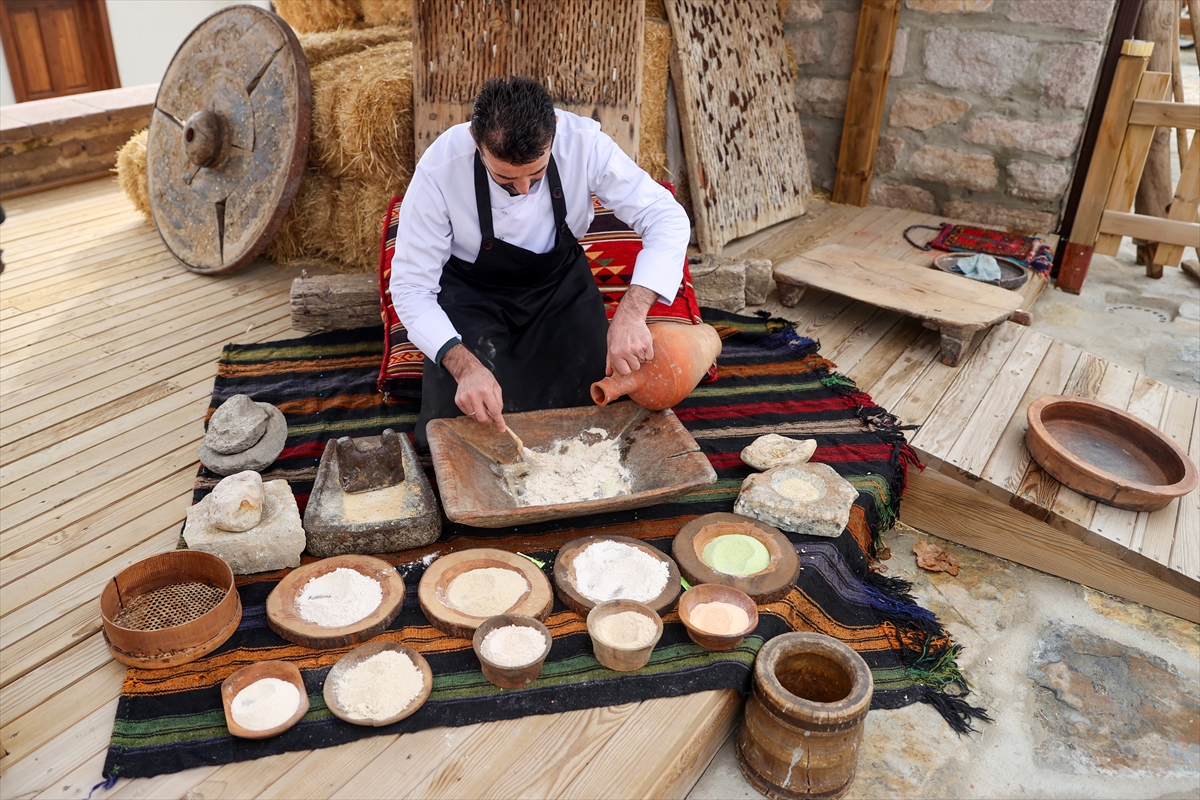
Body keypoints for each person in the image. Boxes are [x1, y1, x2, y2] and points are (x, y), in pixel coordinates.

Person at [389, 76, 690, 447]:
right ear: (475, 141)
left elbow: (666, 217)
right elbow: (411, 288)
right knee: (462, 428)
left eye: (537, 173)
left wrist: (631, 313)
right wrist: (464, 366)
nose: (523, 189)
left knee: (597, 412)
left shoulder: (584, 142)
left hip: (560, 288)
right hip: (471, 297)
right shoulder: (440, 168)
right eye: (504, 178)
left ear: (555, 131)